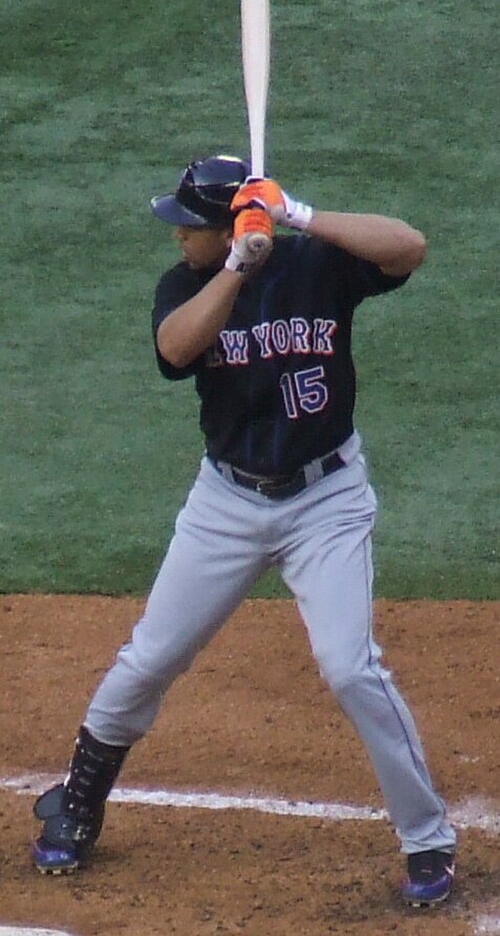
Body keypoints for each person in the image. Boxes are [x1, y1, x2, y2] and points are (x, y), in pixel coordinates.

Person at [32, 154, 457, 906]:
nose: (178, 238)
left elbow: (409, 246)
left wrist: (296, 213)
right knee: (150, 657)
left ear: (229, 219)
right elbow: (175, 348)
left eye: (190, 226)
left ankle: (428, 842)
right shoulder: (190, 283)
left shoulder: (316, 265)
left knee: (350, 666)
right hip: (226, 503)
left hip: (327, 500)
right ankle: (79, 803)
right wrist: (234, 267)